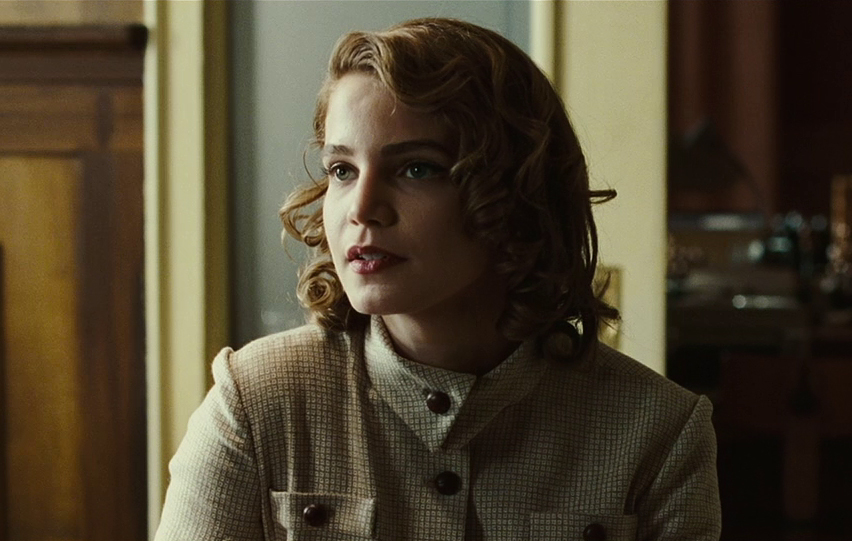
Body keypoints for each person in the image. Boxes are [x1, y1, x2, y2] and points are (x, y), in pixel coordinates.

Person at [155, 17, 720, 541]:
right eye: (342, 170)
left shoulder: (656, 430)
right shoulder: (256, 401)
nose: (362, 208)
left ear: (516, 193)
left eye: (416, 168)